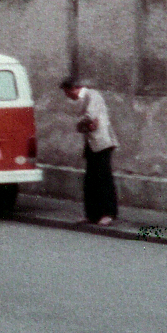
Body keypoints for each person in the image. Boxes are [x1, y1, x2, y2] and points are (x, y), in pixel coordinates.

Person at [60, 77, 119, 226]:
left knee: (103, 178)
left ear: (72, 88)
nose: (67, 96)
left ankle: (108, 213)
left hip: (102, 142)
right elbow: (89, 122)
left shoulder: (93, 95)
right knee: (90, 180)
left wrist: (79, 124)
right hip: (92, 143)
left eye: (67, 93)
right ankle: (92, 214)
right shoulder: (86, 98)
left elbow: (90, 117)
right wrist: (84, 125)